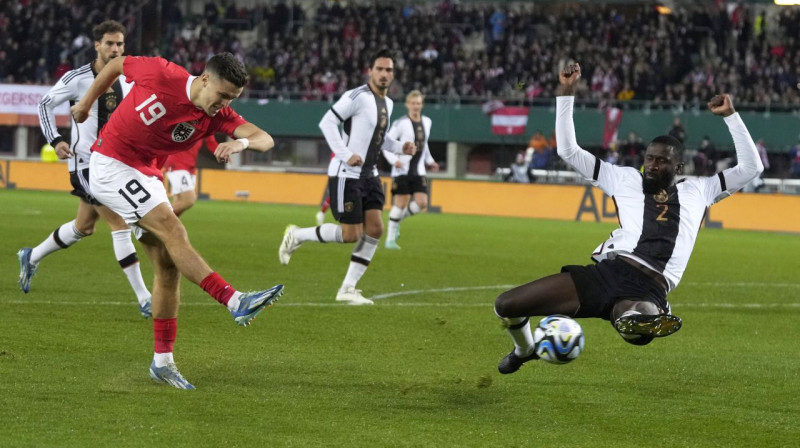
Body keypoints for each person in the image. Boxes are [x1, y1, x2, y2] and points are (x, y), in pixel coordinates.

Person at [493, 62, 763, 374]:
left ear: (678, 168)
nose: (652, 165)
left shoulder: (701, 190)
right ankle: (525, 350)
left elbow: (751, 168)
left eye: (662, 161)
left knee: (635, 322)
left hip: (650, 284)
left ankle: (649, 315)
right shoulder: (622, 178)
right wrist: (566, 92)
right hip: (606, 273)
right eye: (649, 158)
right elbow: (568, 151)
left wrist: (731, 116)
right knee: (507, 304)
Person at [70, 52, 284, 390]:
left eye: (232, 98)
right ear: (204, 80)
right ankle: (234, 300)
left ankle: (162, 362)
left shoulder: (216, 116)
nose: (224, 104)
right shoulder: (160, 72)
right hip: (110, 163)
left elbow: (265, 137)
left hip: (146, 173)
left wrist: (239, 143)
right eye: (223, 95)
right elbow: (115, 65)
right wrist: (85, 104)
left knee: (167, 267)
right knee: (173, 228)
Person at [18, 20, 153, 318]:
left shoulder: (128, 79)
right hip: (86, 164)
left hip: (117, 163)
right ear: (97, 45)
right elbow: (44, 105)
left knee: (84, 227)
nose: (115, 48)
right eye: (109, 43)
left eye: (119, 44)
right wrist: (55, 140)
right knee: (119, 222)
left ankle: (31, 256)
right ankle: (145, 298)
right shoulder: (77, 78)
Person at [278, 49, 416, 305]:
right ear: (370, 71)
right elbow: (327, 122)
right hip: (347, 173)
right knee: (351, 234)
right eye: (380, 69)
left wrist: (400, 147)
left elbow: (378, 137)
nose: (385, 74)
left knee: (375, 228)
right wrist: (345, 154)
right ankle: (297, 235)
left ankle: (348, 289)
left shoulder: (389, 103)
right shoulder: (356, 96)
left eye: (389, 70)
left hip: (370, 173)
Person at [382, 89, 439, 250]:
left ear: (422, 105)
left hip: (419, 170)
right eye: (413, 103)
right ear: (408, 105)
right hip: (402, 170)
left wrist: (430, 161)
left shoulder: (427, 121)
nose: (416, 106)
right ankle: (390, 240)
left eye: (419, 103)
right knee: (401, 203)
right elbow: (385, 144)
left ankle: (398, 221)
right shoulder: (400, 123)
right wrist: (394, 161)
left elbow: (424, 144)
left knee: (422, 203)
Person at [163, 135, 218, 216]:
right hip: (177, 163)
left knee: (179, 203)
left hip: (190, 167)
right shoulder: (183, 122)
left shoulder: (207, 124)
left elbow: (211, 142)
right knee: (188, 200)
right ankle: (155, 220)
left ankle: (166, 227)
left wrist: (222, 152)